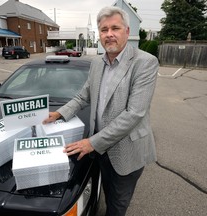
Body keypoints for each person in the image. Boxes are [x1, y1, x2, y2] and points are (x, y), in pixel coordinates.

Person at [43, 6, 159, 216]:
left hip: (127, 152)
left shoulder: (145, 63)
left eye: (115, 28)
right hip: (99, 149)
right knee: (104, 190)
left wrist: (92, 143)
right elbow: (83, 95)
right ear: (99, 34)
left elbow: (134, 114)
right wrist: (59, 113)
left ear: (127, 30)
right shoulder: (97, 62)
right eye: (104, 30)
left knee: (117, 204)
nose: (109, 34)